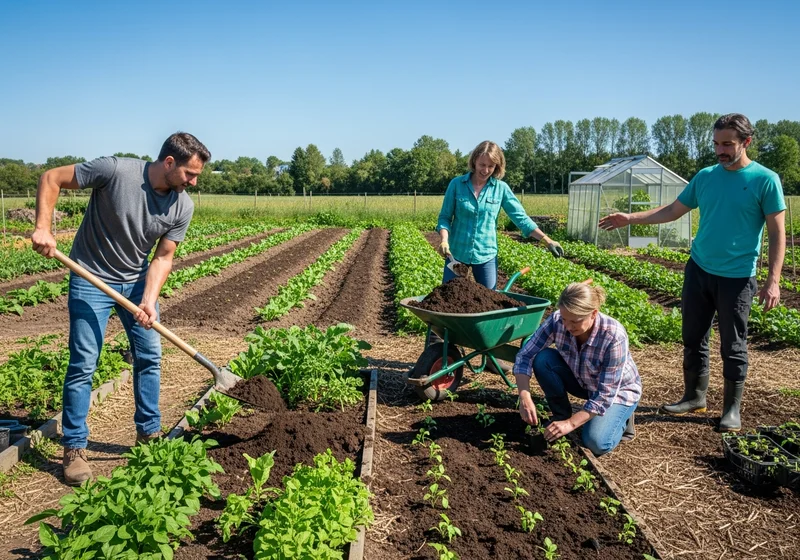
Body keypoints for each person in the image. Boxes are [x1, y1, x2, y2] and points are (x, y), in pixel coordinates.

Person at [32, 132, 211, 486]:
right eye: (190, 174)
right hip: (90, 276)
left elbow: (163, 257)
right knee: (84, 362)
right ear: (169, 162)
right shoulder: (114, 171)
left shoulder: (182, 206)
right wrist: (43, 227)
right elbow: (51, 178)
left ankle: (148, 434)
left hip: (136, 280)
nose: (193, 182)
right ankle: (74, 447)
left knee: (150, 355)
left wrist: (148, 300)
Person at [599, 113, 785, 432]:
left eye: (727, 144)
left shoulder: (765, 180)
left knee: (733, 344)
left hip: (737, 277)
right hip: (699, 269)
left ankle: (731, 409)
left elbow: (777, 232)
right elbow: (673, 210)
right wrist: (630, 218)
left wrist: (774, 280)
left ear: (746, 142)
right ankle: (694, 396)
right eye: (716, 144)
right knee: (693, 336)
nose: (720, 151)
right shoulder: (706, 177)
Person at [513, 282, 640, 456]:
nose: (567, 326)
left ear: (593, 313)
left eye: (575, 321)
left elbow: (605, 394)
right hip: (582, 380)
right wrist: (524, 396)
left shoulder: (613, 336)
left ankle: (622, 418)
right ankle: (561, 415)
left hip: (617, 392)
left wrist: (571, 424)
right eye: (565, 319)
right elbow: (525, 355)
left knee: (596, 442)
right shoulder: (557, 320)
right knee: (543, 359)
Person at [436, 141, 564, 290]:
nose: (485, 170)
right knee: (449, 295)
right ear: (474, 161)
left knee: (488, 298)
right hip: (457, 253)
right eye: (482, 165)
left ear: (497, 166)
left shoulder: (501, 189)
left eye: (491, 166)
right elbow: (445, 217)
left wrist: (547, 240)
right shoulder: (457, 184)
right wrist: (444, 240)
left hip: (486, 255)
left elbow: (521, 219)